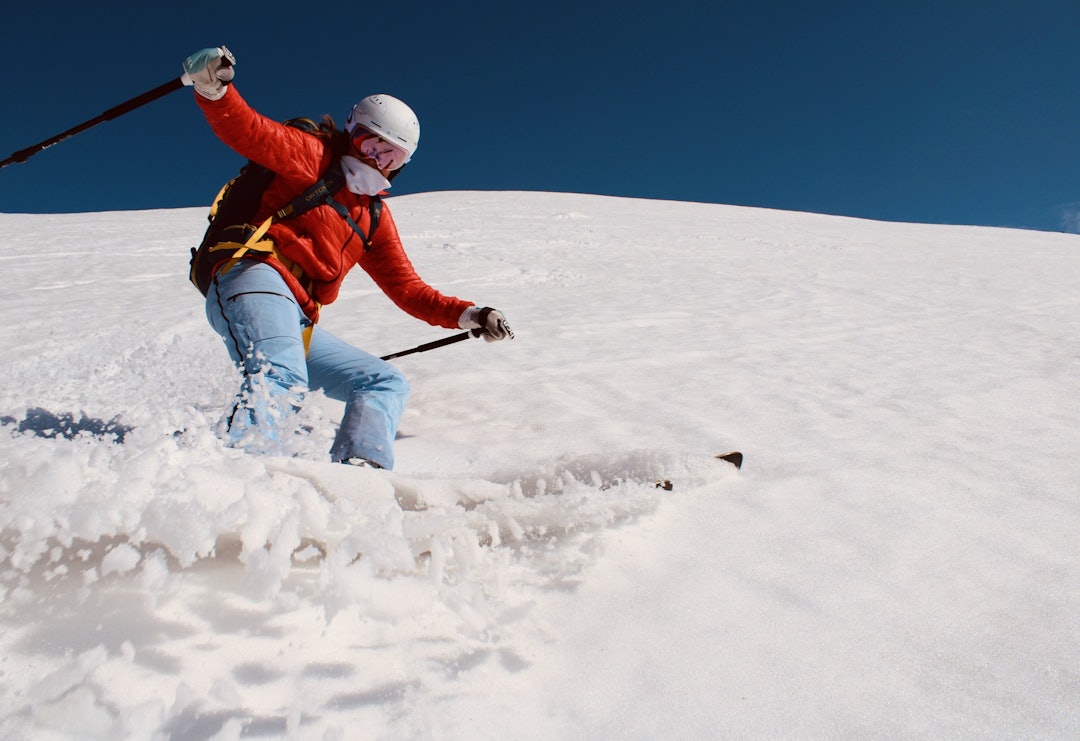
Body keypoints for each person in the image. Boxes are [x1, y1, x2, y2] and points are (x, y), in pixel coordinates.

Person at [181, 46, 512, 470]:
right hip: (254, 274)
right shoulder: (313, 156)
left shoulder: (374, 217)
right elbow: (249, 131)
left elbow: (408, 289)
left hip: (298, 317)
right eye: (369, 143)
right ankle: (228, 473)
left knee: (384, 382)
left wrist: (470, 314)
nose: (375, 158)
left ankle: (360, 467)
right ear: (351, 132)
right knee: (282, 376)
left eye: (390, 154)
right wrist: (214, 91)